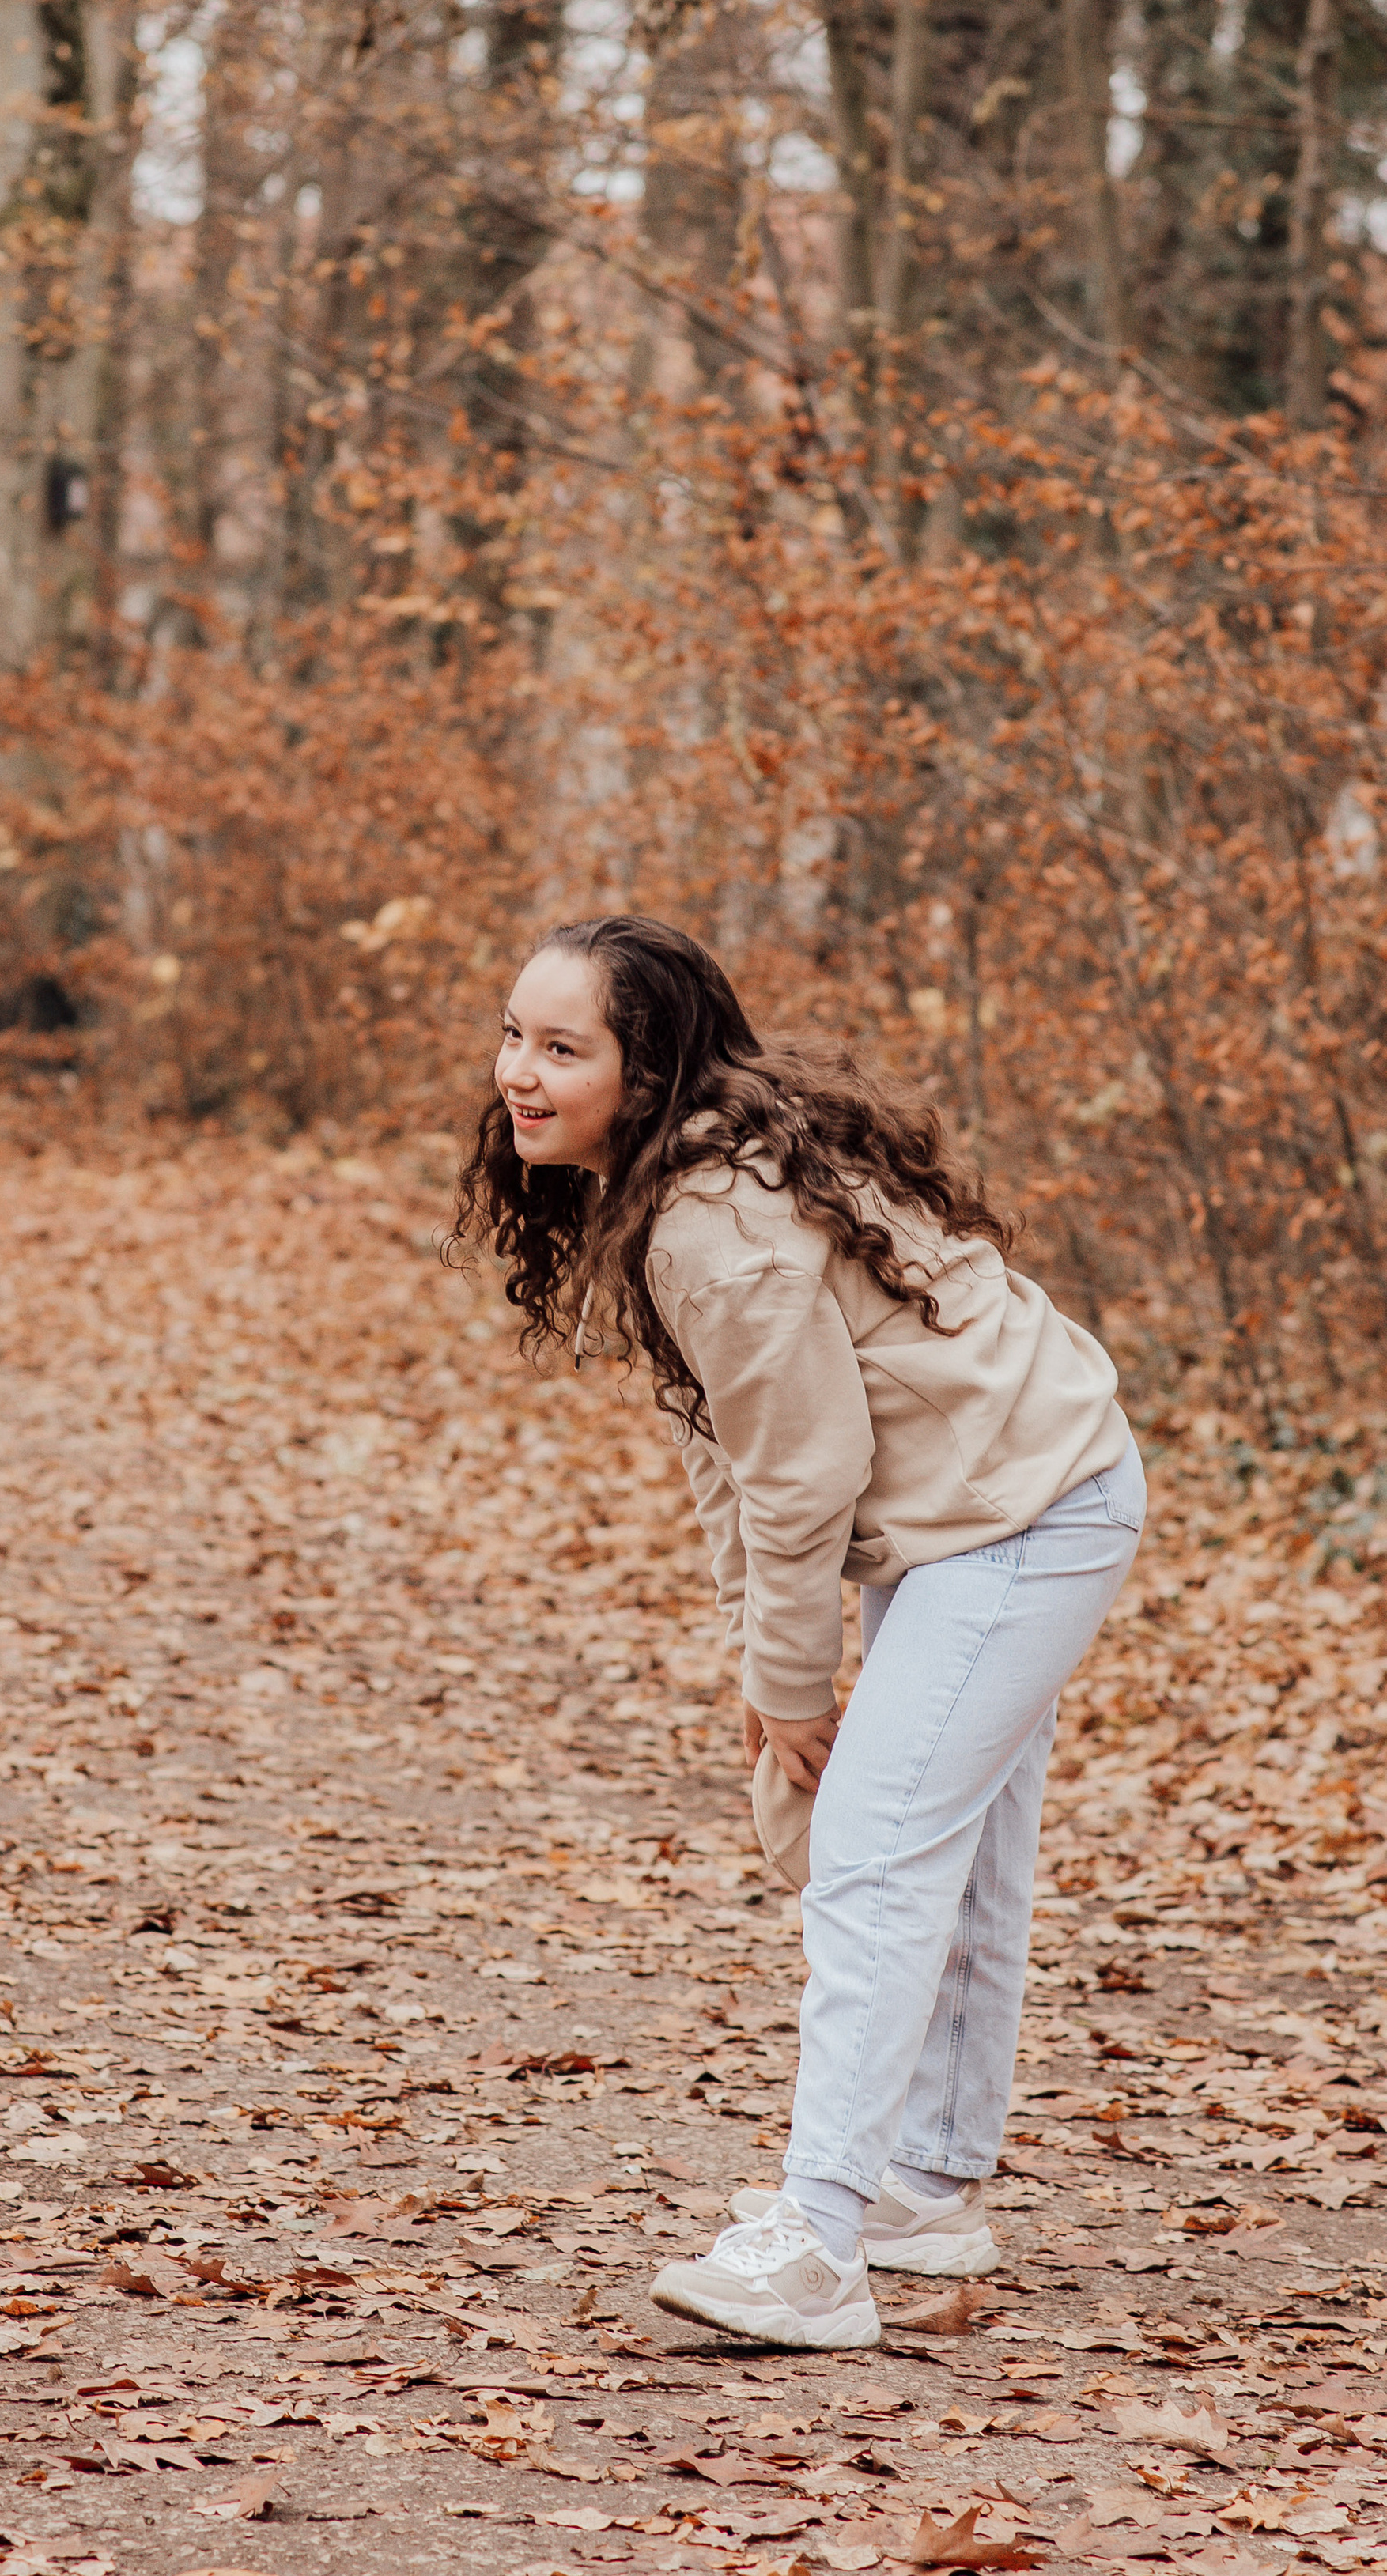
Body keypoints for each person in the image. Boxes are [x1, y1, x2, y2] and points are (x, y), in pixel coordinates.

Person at [452, 915, 1143, 2350]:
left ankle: (817, 2244)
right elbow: (725, 1447)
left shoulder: (711, 1224)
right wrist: (765, 1671)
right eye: (516, 1034)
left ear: (645, 1071)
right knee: (949, 1854)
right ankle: (924, 2193)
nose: (520, 1071)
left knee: (878, 1851)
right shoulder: (679, 1181)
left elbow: (803, 1473)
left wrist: (793, 1683)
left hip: (1019, 1509)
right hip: (986, 1498)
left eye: (563, 1047)